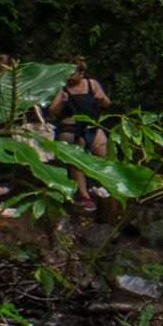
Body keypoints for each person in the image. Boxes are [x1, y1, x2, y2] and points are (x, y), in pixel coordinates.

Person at [47, 59, 110, 212]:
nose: (70, 77)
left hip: (91, 125)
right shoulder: (62, 87)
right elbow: (52, 111)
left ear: (81, 73)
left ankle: (100, 186)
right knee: (76, 162)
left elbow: (107, 103)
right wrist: (61, 102)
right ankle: (84, 195)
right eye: (67, 73)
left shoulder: (92, 84)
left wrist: (102, 99)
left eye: (73, 73)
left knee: (103, 155)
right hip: (70, 127)